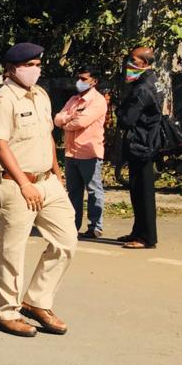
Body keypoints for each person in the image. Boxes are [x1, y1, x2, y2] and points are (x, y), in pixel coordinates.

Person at [0, 42, 77, 338]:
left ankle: (37, 300)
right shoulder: (1, 100)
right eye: (29, 65)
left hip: (47, 180)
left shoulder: (41, 95)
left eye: (38, 64)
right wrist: (24, 183)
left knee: (66, 241)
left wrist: (56, 171)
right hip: (16, 183)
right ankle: (7, 311)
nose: (35, 70)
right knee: (13, 250)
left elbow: (47, 135)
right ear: (12, 69)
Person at [54, 66, 107, 239]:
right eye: (79, 78)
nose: (80, 82)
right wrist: (68, 119)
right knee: (74, 191)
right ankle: (72, 225)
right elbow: (57, 118)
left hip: (89, 152)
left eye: (84, 79)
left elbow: (81, 122)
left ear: (94, 82)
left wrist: (66, 122)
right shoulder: (73, 99)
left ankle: (95, 226)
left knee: (93, 190)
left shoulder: (97, 101)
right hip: (71, 153)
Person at [117, 46, 161, 250]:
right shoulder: (148, 81)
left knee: (143, 193)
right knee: (136, 190)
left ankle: (147, 238)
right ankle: (138, 231)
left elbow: (126, 119)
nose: (129, 63)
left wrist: (121, 110)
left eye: (133, 60)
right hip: (141, 143)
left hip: (142, 144)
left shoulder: (143, 87)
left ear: (144, 63)